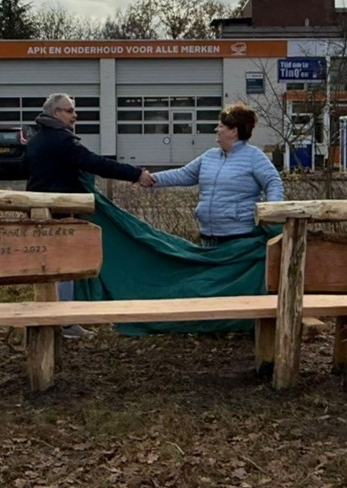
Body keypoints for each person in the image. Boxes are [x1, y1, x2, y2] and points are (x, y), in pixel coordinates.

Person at [24, 92, 155, 338]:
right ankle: (65, 322)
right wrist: (135, 173)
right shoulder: (62, 141)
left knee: (49, 268)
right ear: (56, 113)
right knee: (65, 267)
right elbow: (95, 163)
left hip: (39, 213)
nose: (75, 116)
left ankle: (57, 319)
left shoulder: (35, 141)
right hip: (61, 214)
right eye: (69, 111)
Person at [147, 104, 284, 246]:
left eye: (220, 126)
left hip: (240, 239)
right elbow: (183, 174)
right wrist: (150, 179)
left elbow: (273, 182)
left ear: (233, 131)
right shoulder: (209, 156)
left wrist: (271, 214)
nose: (216, 129)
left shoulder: (254, 156)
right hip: (207, 238)